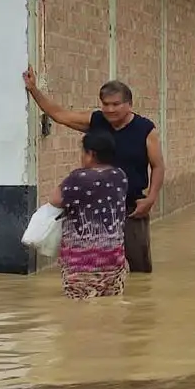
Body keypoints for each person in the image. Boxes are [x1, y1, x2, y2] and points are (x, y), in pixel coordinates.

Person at [24, 66, 165, 274]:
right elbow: (60, 115)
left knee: (138, 268)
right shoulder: (96, 121)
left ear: (129, 105)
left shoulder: (145, 129)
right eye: (105, 104)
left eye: (116, 104)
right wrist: (34, 89)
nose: (110, 109)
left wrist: (151, 198)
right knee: (96, 265)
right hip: (94, 210)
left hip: (131, 207)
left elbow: (158, 165)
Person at [48, 131, 129, 299]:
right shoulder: (120, 176)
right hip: (114, 260)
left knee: (80, 308)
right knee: (111, 304)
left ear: (91, 154)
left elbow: (55, 200)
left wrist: (69, 179)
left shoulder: (78, 178)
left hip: (81, 264)